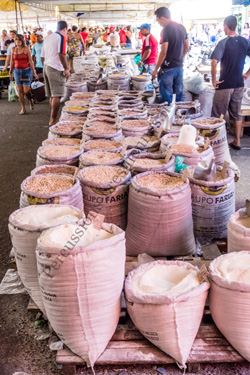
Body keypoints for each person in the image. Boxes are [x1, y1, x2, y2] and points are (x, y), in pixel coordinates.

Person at [211, 15, 250, 150]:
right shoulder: (245, 42)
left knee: (217, 114)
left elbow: (214, 62)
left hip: (225, 84)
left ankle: (216, 142)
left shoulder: (223, 42)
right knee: (236, 113)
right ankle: (237, 141)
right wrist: (246, 74)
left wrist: (214, 80)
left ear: (225, 26)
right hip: (239, 83)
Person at [152, 7, 189, 105]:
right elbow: (187, 46)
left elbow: (163, 52)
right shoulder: (182, 27)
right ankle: (179, 119)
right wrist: (180, 57)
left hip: (168, 69)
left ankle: (167, 120)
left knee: (166, 100)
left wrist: (156, 69)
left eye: (158, 20)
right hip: (179, 68)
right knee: (178, 98)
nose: (158, 22)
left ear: (162, 18)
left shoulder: (166, 29)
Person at [41, 20, 70, 126]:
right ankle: (53, 119)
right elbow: (62, 54)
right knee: (57, 95)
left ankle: (55, 117)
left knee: (52, 95)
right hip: (55, 68)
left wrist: (47, 66)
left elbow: (42, 56)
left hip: (47, 67)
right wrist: (66, 69)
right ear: (64, 29)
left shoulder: (48, 38)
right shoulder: (61, 37)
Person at [9, 34, 38, 115]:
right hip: (17, 72)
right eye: (16, 39)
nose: (17, 41)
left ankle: (30, 99)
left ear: (22, 41)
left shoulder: (26, 49)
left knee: (26, 91)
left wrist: (34, 72)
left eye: (19, 39)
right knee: (20, 91)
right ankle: (23, 108)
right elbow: (12, 61)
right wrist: (10, 72)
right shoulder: (13, 49)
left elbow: (31, 61)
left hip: (26, 71)